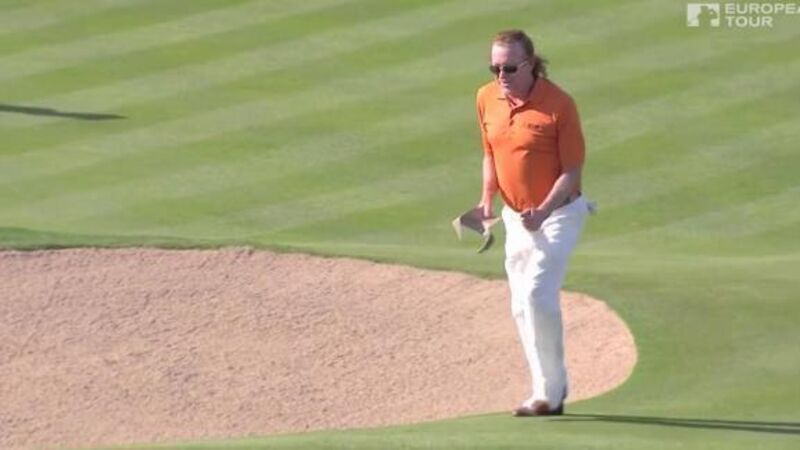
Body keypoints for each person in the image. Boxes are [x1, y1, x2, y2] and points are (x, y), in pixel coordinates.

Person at [475, 29, 591, 416]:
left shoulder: (559, 105)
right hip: (515, 217)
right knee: (520, 306)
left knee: (538, 294)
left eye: (509, 68)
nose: (501, 76)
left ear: (530, 64)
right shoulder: (486, 97)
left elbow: (572, 171)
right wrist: (486, 200)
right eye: (494, 68)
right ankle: (544, 387)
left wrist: (542, 211)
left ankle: (550, 394)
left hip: (559, 215)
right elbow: (490, 154)